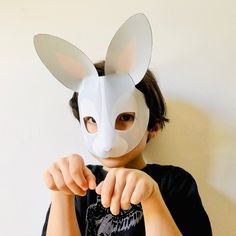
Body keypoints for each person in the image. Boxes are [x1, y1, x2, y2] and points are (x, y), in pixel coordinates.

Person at [34, 14, 212, 236]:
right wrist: (61, 194)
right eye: (92, 120)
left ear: (153, 126)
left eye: (125, 117)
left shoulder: (174, 183)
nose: (107, 142)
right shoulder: (79, 186)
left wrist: (151, 197)